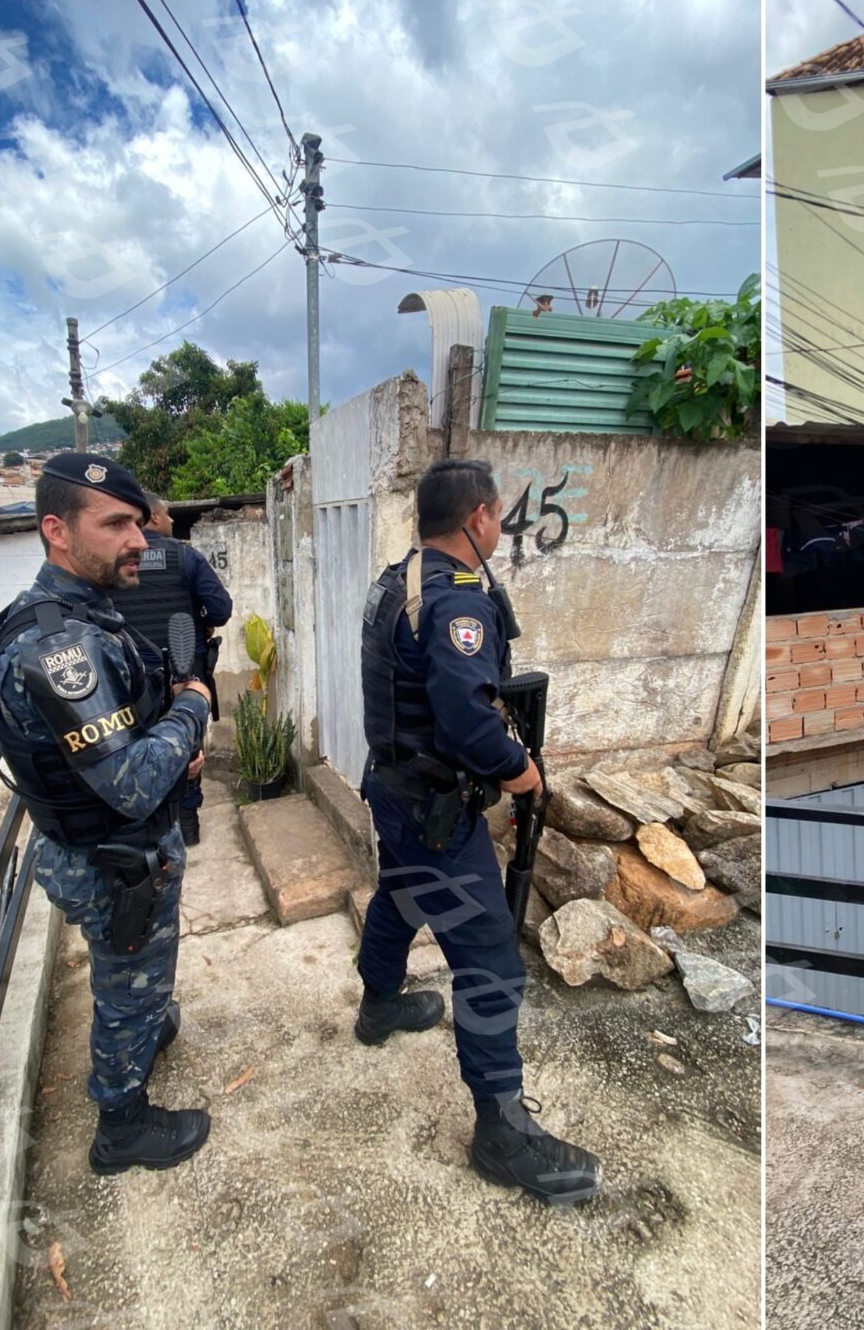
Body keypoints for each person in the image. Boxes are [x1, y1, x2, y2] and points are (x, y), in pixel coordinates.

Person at [358, 458, 600, 1206]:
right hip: (432, 808)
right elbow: (468, 723)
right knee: (491, 959)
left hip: (393, 787)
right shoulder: (458, 600)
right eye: (497, 514)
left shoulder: (399, 581)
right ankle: (501, 1133)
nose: (499, 524)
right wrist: (522, 773)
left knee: (400, 896)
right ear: (481, 518)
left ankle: (378, 1004)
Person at [0, 453, 213, 1173]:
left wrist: (165, 746)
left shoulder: (72, 616)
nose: (138, 540)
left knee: (135, 977)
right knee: (125, 979)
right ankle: (122, 1125)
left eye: (138, 523)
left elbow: (111, 745)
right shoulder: (60, 646)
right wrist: (193, 708)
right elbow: (133, 785)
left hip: (107, 844)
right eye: (114, 525)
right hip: (114, 859)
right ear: (57, 530)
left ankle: (143, 1028)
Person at [107, 496, 234, 843]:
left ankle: (150, 825)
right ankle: (187, 823)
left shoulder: (114, 561)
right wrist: (200, 621)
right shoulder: (185, 557)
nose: (173, 522)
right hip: (184, 674)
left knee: (137, 749)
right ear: (153, 517)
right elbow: (221, 609)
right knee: (187, 746)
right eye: (168, 515)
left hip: (131, 679)